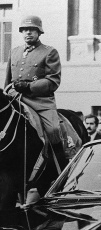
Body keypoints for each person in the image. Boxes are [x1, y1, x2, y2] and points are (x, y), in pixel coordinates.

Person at [4, 15, 64, 165]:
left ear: (39, 32)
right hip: (14, 97)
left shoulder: (49, 52)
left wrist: (29, 86)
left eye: (32, 29)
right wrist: (6, 93)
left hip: (40, 101)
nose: (28, 33)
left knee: (53, 130)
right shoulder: (14, 51)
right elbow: (8, 79)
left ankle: (60, 164)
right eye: (24, 30)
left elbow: (53, 80)